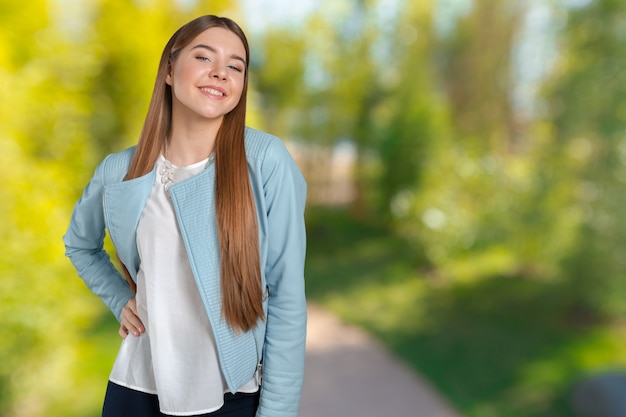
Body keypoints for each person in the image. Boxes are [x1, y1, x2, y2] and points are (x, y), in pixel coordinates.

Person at [63, 15, 307, 417]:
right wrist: (120, 298)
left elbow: (287, 297)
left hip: (232, 394)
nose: (220, 73)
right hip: (136, 389)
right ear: (171, 70)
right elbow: (80, 245)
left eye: (236, 66)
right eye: (204, 56)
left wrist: (278, 411)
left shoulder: (265, 160)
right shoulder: (119, 170)